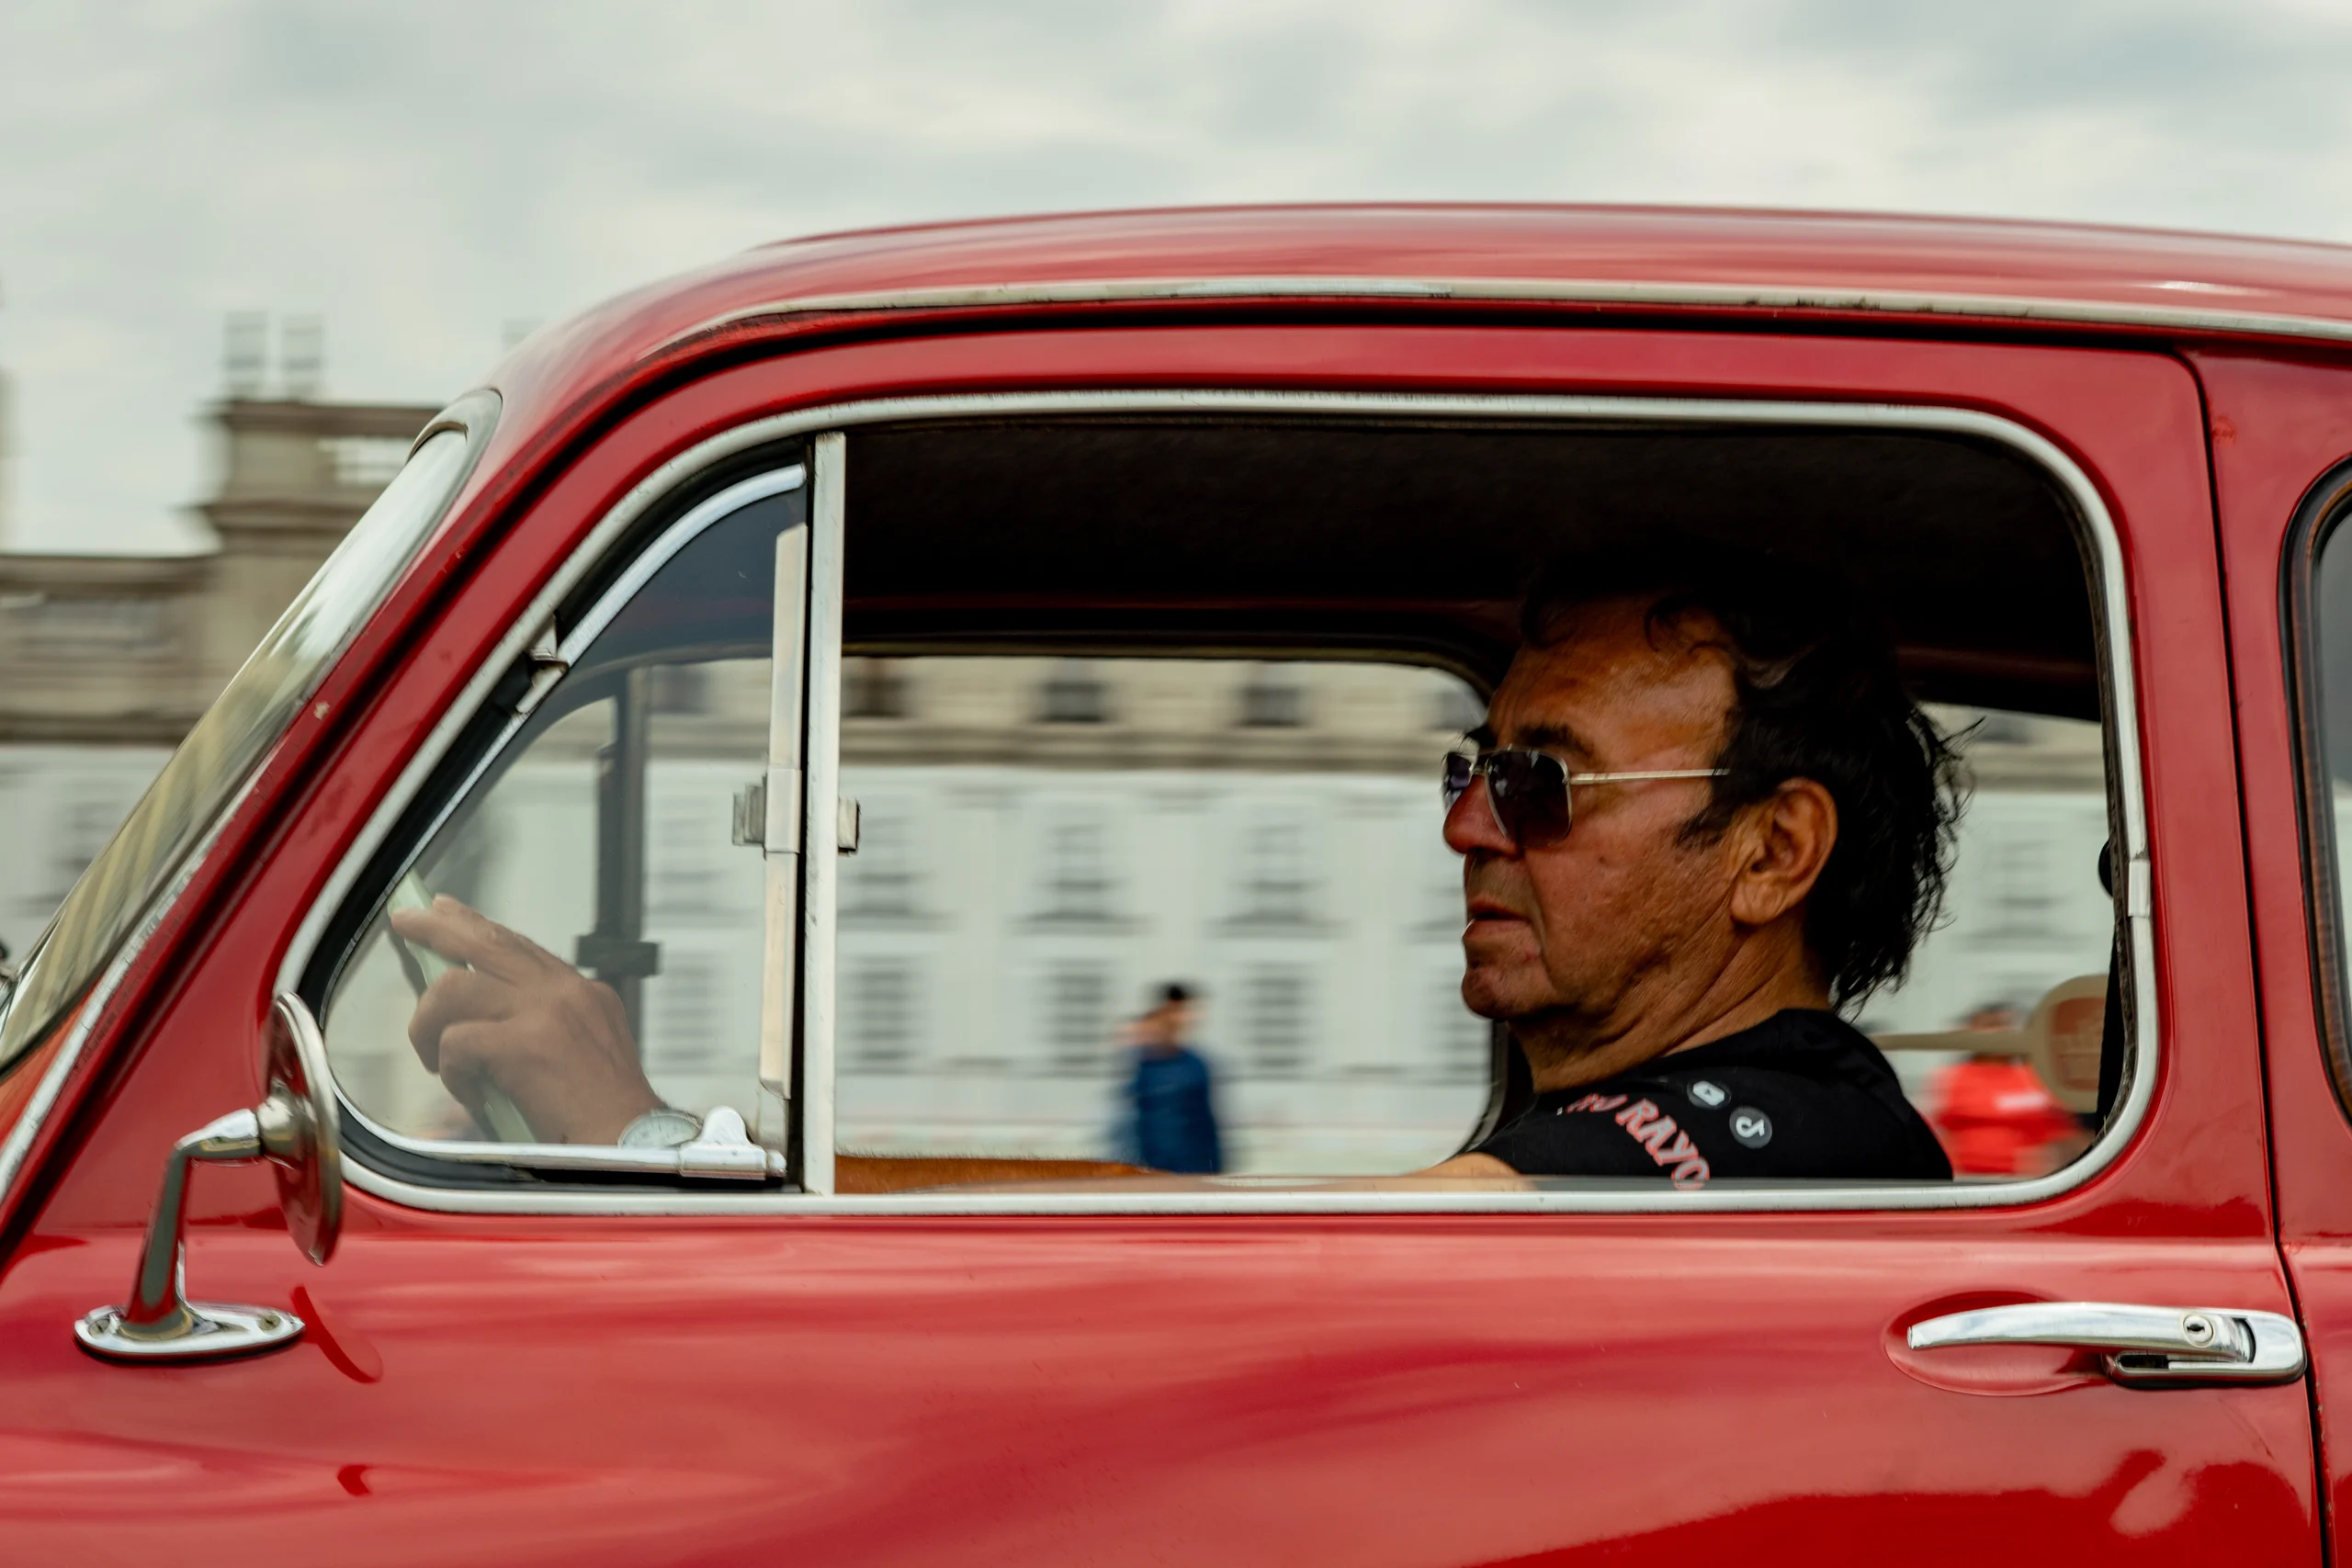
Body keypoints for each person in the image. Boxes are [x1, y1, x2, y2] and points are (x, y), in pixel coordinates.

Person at [1422, 544, 1957, 1186]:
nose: (1465, 827)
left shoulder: (1808, 1146)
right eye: (1473, 775)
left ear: (1772, 853)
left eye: (1540, 781)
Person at [1930, 1003, 2085, 1177]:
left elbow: (2063, 1134)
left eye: (2004, 1025)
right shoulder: (1953, 1078)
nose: (1999, 1032)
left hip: (2026, 1183)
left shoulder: (2035, 1077)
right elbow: (1941, 1133)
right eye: (1990, 1025)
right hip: (1966, 1180)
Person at [1116, 983, 1224, 1175]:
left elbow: (1206, 1123)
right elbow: (1126, 1126)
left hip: (1190, 1168)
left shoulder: (1196, 1065)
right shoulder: (1139, 1065)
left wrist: (1212, 1168)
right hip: (1147, 1168)